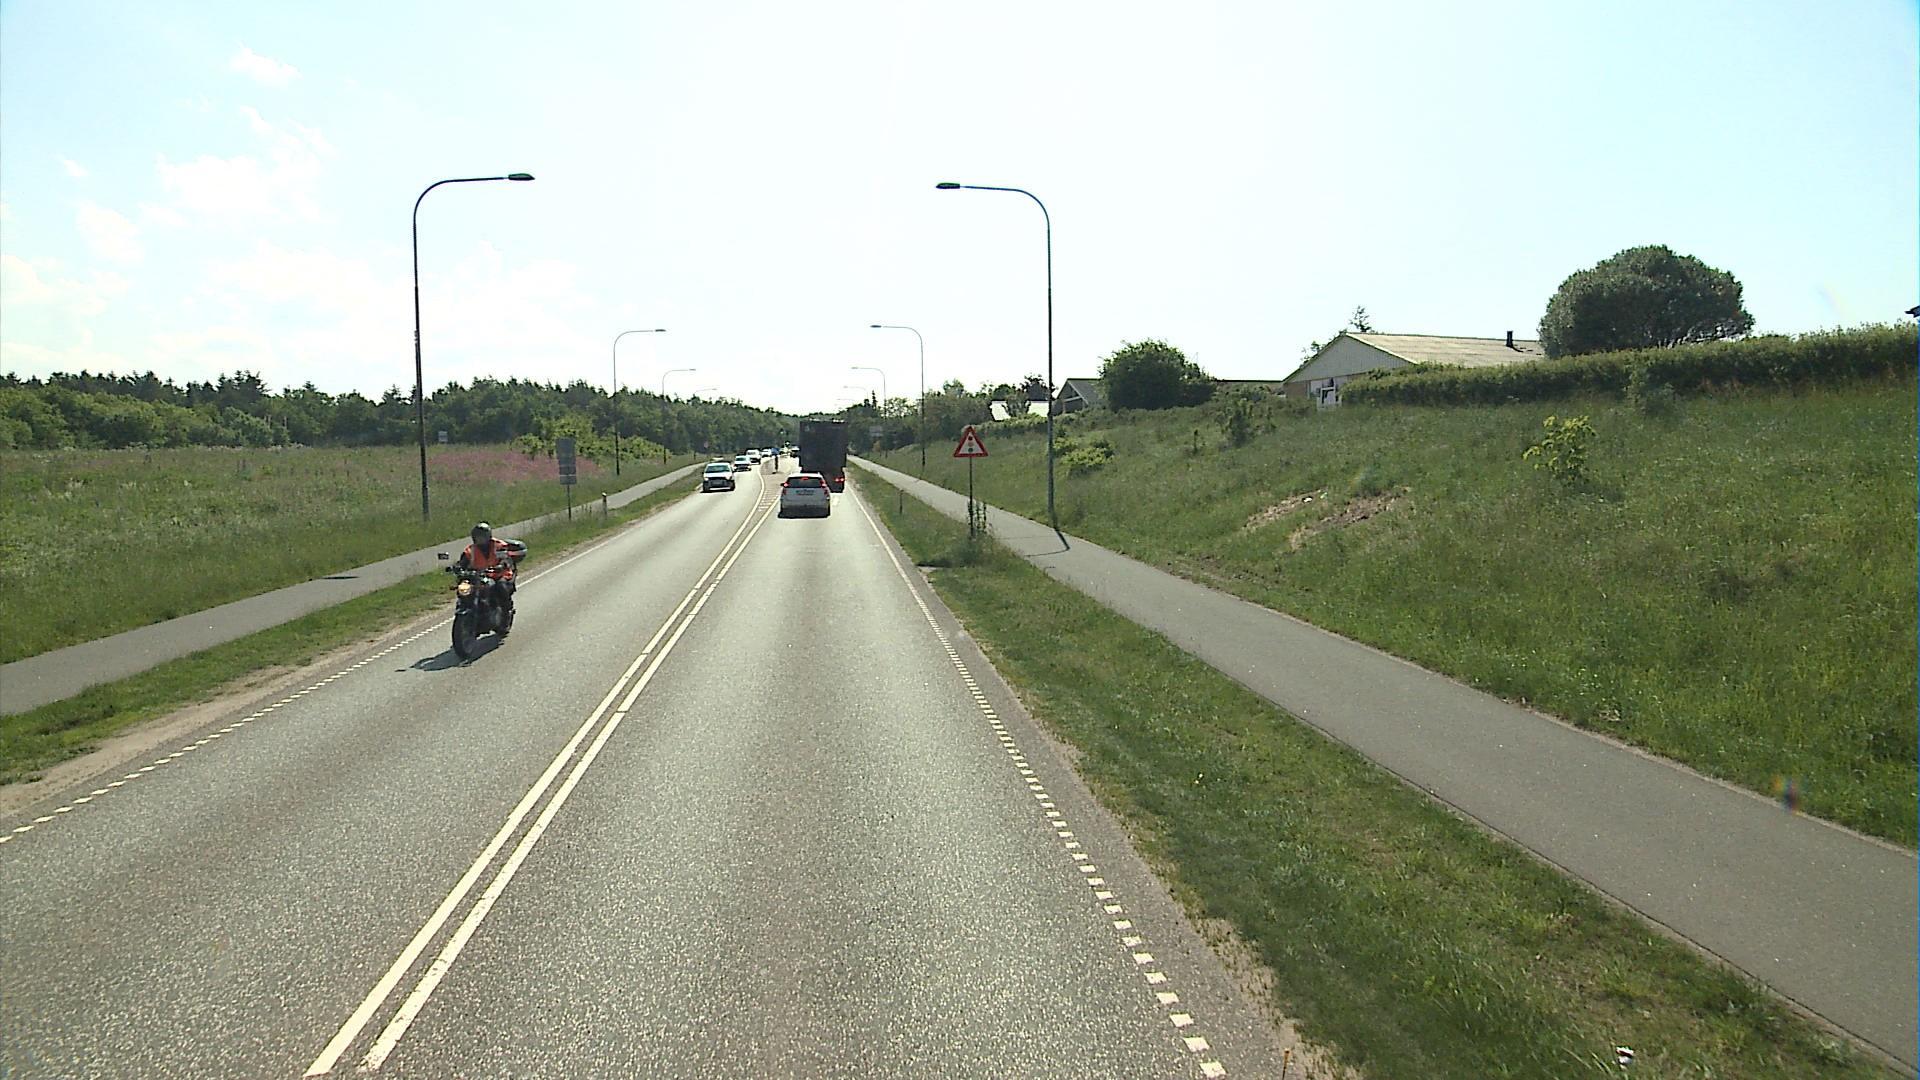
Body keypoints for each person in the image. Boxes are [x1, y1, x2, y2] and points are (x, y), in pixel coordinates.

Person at [457, 521, 522, 633]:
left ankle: (506, 615)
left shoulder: (499, 546)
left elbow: (505, 559)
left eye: (482, 537)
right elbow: (463, 562)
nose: (480, 540)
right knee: (465, 589)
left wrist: (501, 566)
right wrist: (457, 568)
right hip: (479, 576)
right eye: (477, 537)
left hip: (499, 574)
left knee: (501, 587)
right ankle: (469, 610)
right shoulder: (470, 550)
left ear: (488, 536)